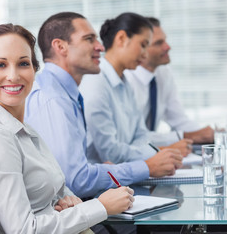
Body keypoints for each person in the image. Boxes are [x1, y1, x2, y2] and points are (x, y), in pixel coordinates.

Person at [0, 23, 134, 234]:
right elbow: (23, 230)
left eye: (23, 64)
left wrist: (68, 202)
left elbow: (51, 195)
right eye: (0, 65)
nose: (13, 75)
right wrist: (100, 206)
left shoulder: (23, 129)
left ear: (34, 70)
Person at [25, 12, 182, 199]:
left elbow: (77, 170)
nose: (100, 47)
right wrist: (145, 167)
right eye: (89, 39)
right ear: (60, 46)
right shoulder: (54, 100)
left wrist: (108, 169)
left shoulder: (65, 93)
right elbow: (77, 182)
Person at [79, 12, 192, 166]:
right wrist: (156, 155)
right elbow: (110, 153)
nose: (145, 55)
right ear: (122, 39)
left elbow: (141, 135)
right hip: (103, 182)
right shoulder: (96, 83)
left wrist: (156, 154)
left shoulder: (124, 83)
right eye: (143, 45)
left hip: (125, 173)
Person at [124, 17, 214, 145]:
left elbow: (178, 119)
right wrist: (186, 136)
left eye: (165, 40)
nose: (167, 47)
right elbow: (132, 137)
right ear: (141, 48)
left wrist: (205, 133)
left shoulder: (163, 73)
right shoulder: (126, 80)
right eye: (158, 43)